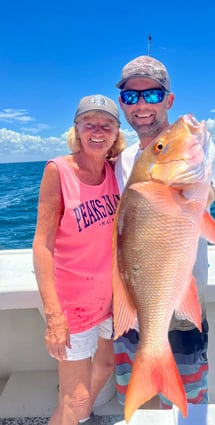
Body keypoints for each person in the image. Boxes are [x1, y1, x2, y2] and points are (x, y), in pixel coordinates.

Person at [113, 56, 215, 409]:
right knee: (142, 408)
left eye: (152, 94)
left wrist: (173, 176)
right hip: (136, 296)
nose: (141, 105)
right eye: (131, 97)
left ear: (168, 100)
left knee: (189, 403)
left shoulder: (197, 149)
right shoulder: (125, 160)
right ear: (123, 106)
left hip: (181, 298)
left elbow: (197, 203)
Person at [32, 94, 125, 425]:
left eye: (106, 125)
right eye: (90, 124)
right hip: (73, 308)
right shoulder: (58, 171)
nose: (97, 131)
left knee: (107, 366)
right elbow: (42, 245)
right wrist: (54, 316)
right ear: (77, 129)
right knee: (77, 397)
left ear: (116, 132)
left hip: (110, 300)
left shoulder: (118, 171)